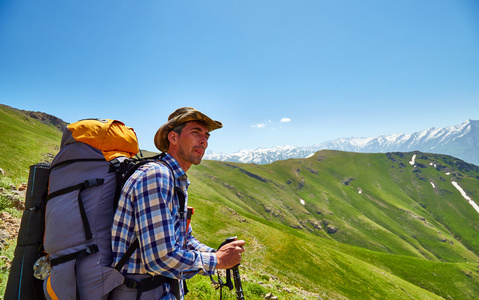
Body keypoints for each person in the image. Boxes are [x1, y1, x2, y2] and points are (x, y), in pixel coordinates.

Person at [110, 107, 245, 300]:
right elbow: (160, 258)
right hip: (141, 292)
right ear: (173, 138)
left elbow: (184, 239)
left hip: (158, 289)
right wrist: (217, 261)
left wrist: (218, 253)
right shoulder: (157, 176)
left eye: (206, 135)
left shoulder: (175, 179)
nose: (204, 141)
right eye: (195, 132)